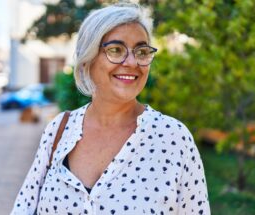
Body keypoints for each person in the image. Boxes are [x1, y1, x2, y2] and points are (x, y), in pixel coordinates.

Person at [11, 3, 210, 215]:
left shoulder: (174, 139)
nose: (132, 62)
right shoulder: (59, 130)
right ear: (88, 59)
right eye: (116, 50)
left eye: (141, 51)